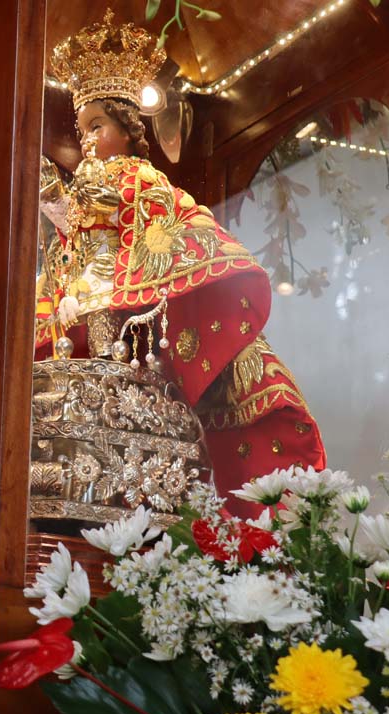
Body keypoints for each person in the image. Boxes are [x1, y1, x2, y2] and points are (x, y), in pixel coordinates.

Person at [37, 12, 325, 515]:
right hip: (86, 299)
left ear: (127, 128)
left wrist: (82, 216)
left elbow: (153, 230)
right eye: (82, 130)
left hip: (126, 302)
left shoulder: (138, 177)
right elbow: (74, 239)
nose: (86, 141)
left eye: (97, 126)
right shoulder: (87, 180)